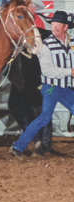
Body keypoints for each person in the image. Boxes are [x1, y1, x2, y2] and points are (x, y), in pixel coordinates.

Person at [10, 10, 74, 159]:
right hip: (52, 87)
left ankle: (18, 146)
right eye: (53, 24)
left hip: (63, 88)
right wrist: (69, 72)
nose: (54, 27)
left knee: (43, 117)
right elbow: (47, 71)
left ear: (65, 27)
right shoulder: (46, 45)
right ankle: (18, 146)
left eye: (58, 24)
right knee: (44, 117)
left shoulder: (70, 44)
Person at [8, 0, 51, 157]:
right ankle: (35, 138)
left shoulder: (40, 25)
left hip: (35, 72)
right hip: (24, 72)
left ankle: (41, 143)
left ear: (33, 8)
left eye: (27, 5)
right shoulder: (33, 23)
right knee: (20, 104)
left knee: (37, 107)